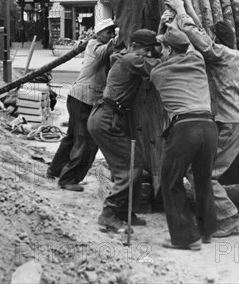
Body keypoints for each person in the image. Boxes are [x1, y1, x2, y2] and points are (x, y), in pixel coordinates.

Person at [165, 0, 239, 238]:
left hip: (232, 123)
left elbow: (201, 40)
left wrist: (181, 12)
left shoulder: (226, 56)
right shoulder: (227, 55)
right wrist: (186, 0)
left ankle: (231, 218)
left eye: (212, 37)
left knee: (200, 173)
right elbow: (201, 34)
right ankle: (224, 215)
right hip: (233, 122)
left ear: (218, 40)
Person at [149, 18, 217, 251]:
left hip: (184, 129)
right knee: (203, 179)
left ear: (167, 50)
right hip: (208, 128)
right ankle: (206, 231)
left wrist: (161, 28)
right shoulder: (197, 60)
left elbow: (158, 57)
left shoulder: (158, 72)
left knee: (170, 181)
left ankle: (185, 237)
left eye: (164, 47)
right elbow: (187, 46)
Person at [87, 29, 160, 232]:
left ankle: (124, 211)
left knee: (133, 161)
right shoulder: (131, 59)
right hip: (107, 119)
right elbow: (160, 67)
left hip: (106, 117)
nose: (147, 54)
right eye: (147, 50)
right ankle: (109, 214)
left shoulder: (125, 57)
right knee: (130, 166)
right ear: (137, 48)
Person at [48, 18, 117, 191]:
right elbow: (105, 51)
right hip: (83, 99)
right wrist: (121, 34)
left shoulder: (101, 45)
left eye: (113, 32)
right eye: (108, 32)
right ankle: (68, 179)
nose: (111, 35)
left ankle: (55, 170)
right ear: (98, 33)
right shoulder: (94, 45)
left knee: (72, 137)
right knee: (87, 142)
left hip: (79, 98)